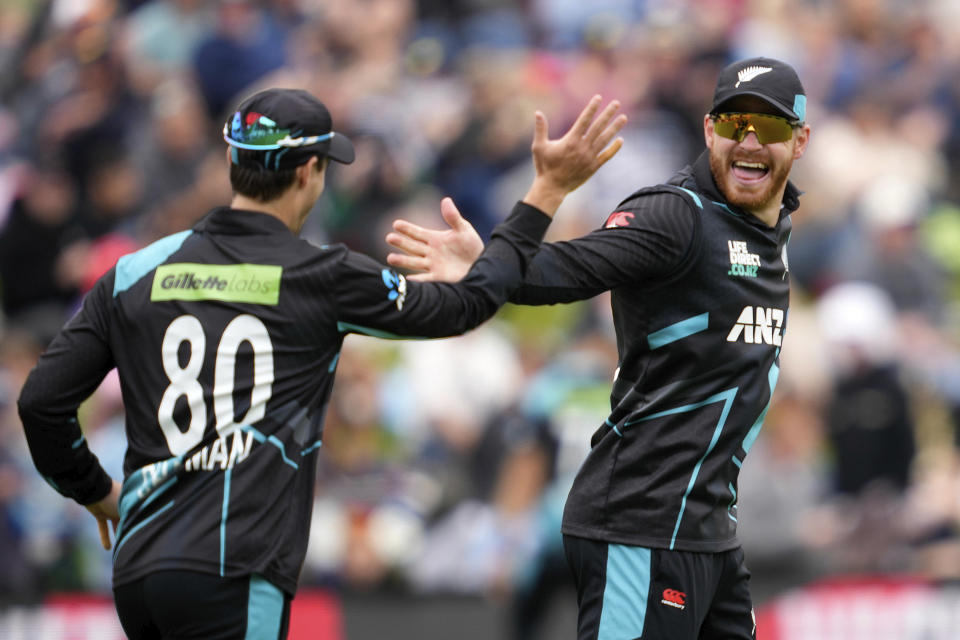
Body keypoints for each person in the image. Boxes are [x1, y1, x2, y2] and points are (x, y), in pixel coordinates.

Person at [17, 87, 626, 639]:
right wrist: (543, 192)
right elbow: (467, 306)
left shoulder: (135, 271)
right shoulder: (320, 276)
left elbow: (40, 401)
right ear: (310, 171)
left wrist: (96, 492)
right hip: (235, 568)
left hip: (139, 570)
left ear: (234, 163)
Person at [385, 57, 811, 639]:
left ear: (800, 141)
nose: (751, 141)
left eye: (772, 128)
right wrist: (488, 261)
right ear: (710, 130)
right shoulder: (675, 216)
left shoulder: (772, 232)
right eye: (736, 123)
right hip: (639, 523)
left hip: (709, 532)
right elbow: (567, 268)